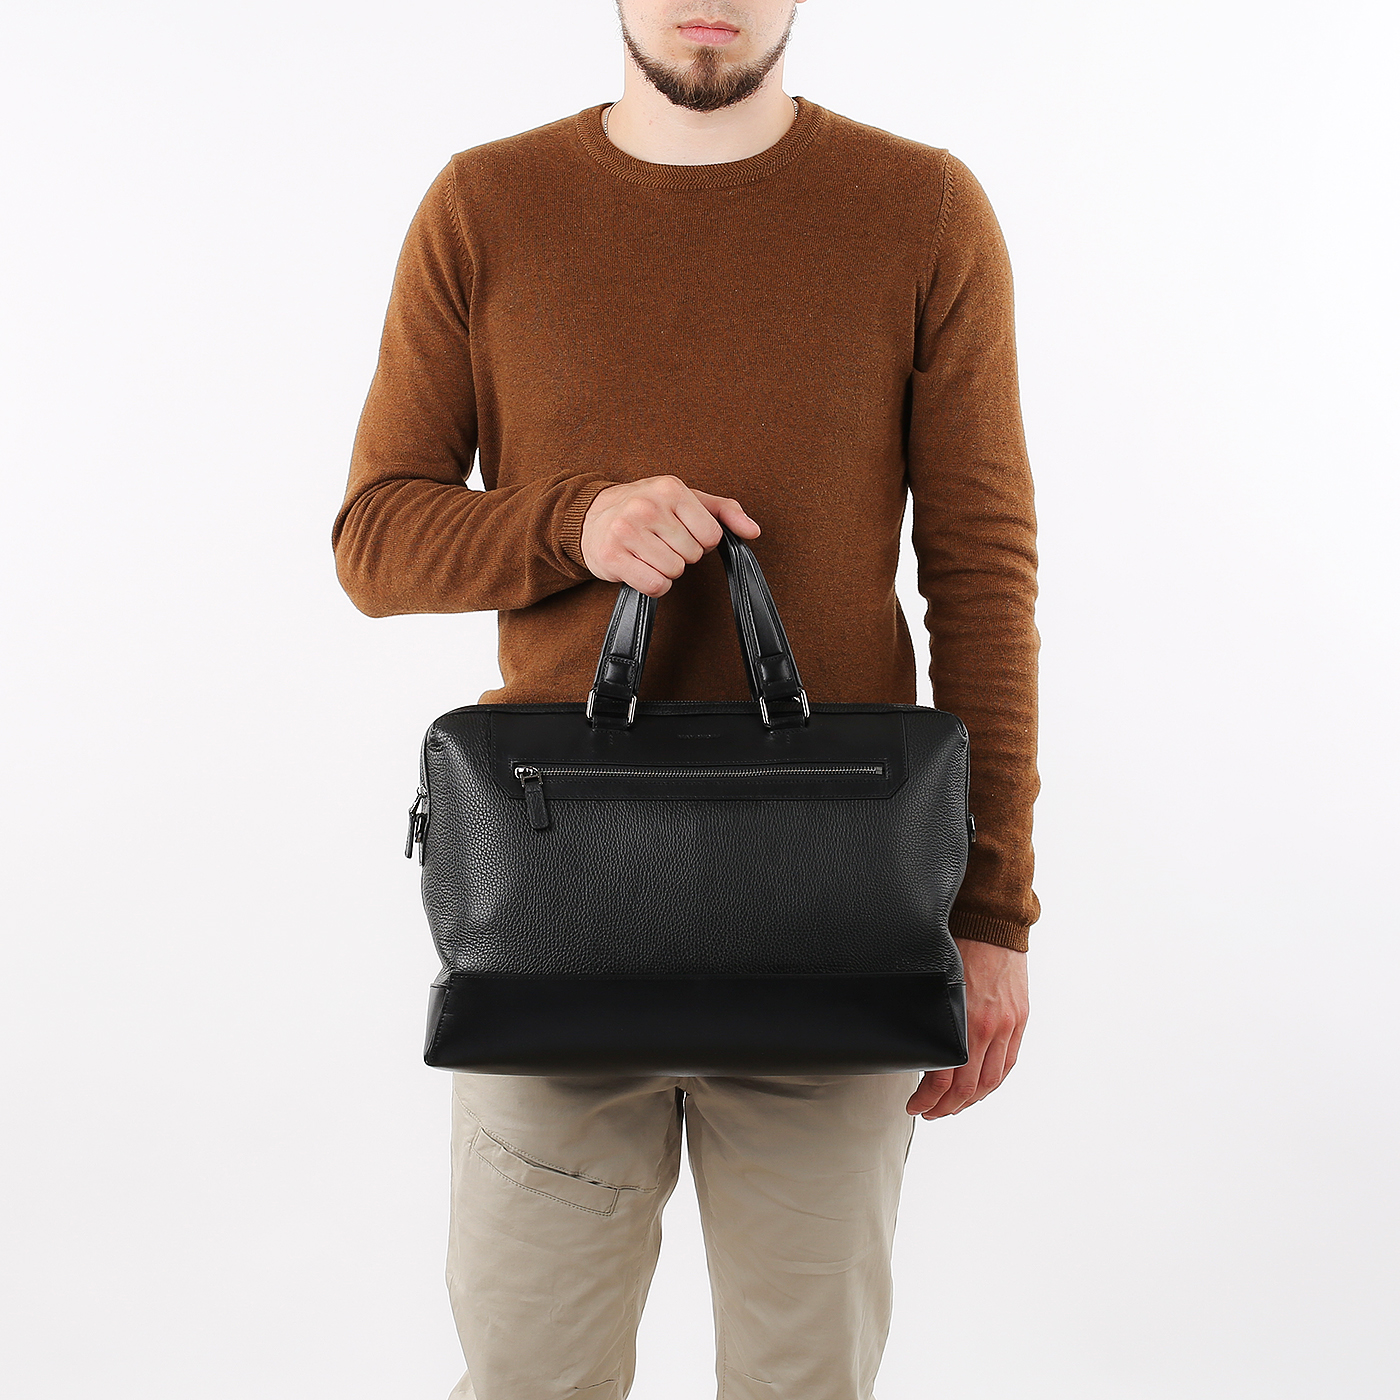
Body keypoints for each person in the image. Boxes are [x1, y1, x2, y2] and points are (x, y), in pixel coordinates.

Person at [331, 4, 1039, 1396]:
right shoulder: (485, 206)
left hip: (837, 921)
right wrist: (573, 521)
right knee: (531, 1380)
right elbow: (376, 537)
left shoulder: (923, 210)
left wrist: (993, 908)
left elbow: (980, 573)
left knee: (804, 1383)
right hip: (553, 927)